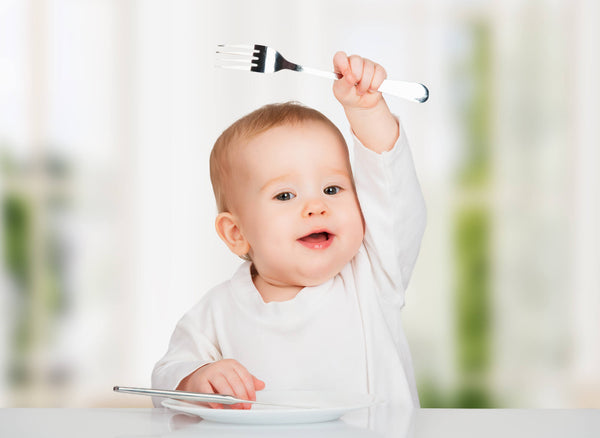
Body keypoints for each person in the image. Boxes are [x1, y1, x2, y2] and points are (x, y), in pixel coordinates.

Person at [152, 52, 427, 413]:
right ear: (236, 233)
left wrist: (367, 111)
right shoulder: (216, 313)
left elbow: (394, 196)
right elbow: (166, 379)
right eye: (285, 195)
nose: (316, 207)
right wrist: (197, 379)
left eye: (332, 189)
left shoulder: (375, 276)